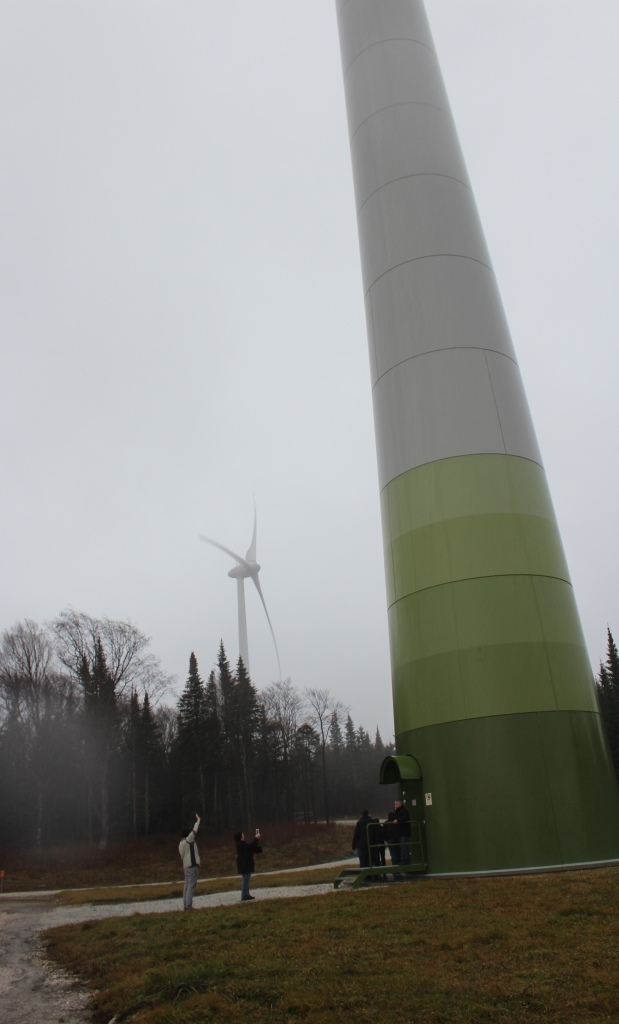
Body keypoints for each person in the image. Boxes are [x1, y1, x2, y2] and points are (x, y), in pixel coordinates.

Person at [179, 813, 201, 911]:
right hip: (192, 866)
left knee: (186, 887)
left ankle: (185, 905)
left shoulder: (180, 843)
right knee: (191, 887)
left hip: (186, 867)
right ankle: (188, 906)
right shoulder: (188, 840)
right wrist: (198, 821)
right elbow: (194, 831)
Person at [234, 829, 262, 901]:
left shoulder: (242, 844)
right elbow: (250, 846)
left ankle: (247, 894)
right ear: (240, 837)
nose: (244, 836)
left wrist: (258, 849)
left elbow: (250, 847)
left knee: (247, 880)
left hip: (246, 864)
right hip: (244, 864)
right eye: (242, 835)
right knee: (245, 880)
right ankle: (244, 895)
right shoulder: (240, 844)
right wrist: (256, 838)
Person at [394, 800, 411, 865]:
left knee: (404, 846)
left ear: (400, 804)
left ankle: (405, 860)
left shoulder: (403, 811)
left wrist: (398, 820)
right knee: (402, 846)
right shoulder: (397, 811)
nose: (395, 805)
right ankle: (403, 860)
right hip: (401, 832)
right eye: (395, 804)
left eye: (396, 804)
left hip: (404, 832)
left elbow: (405, 818)